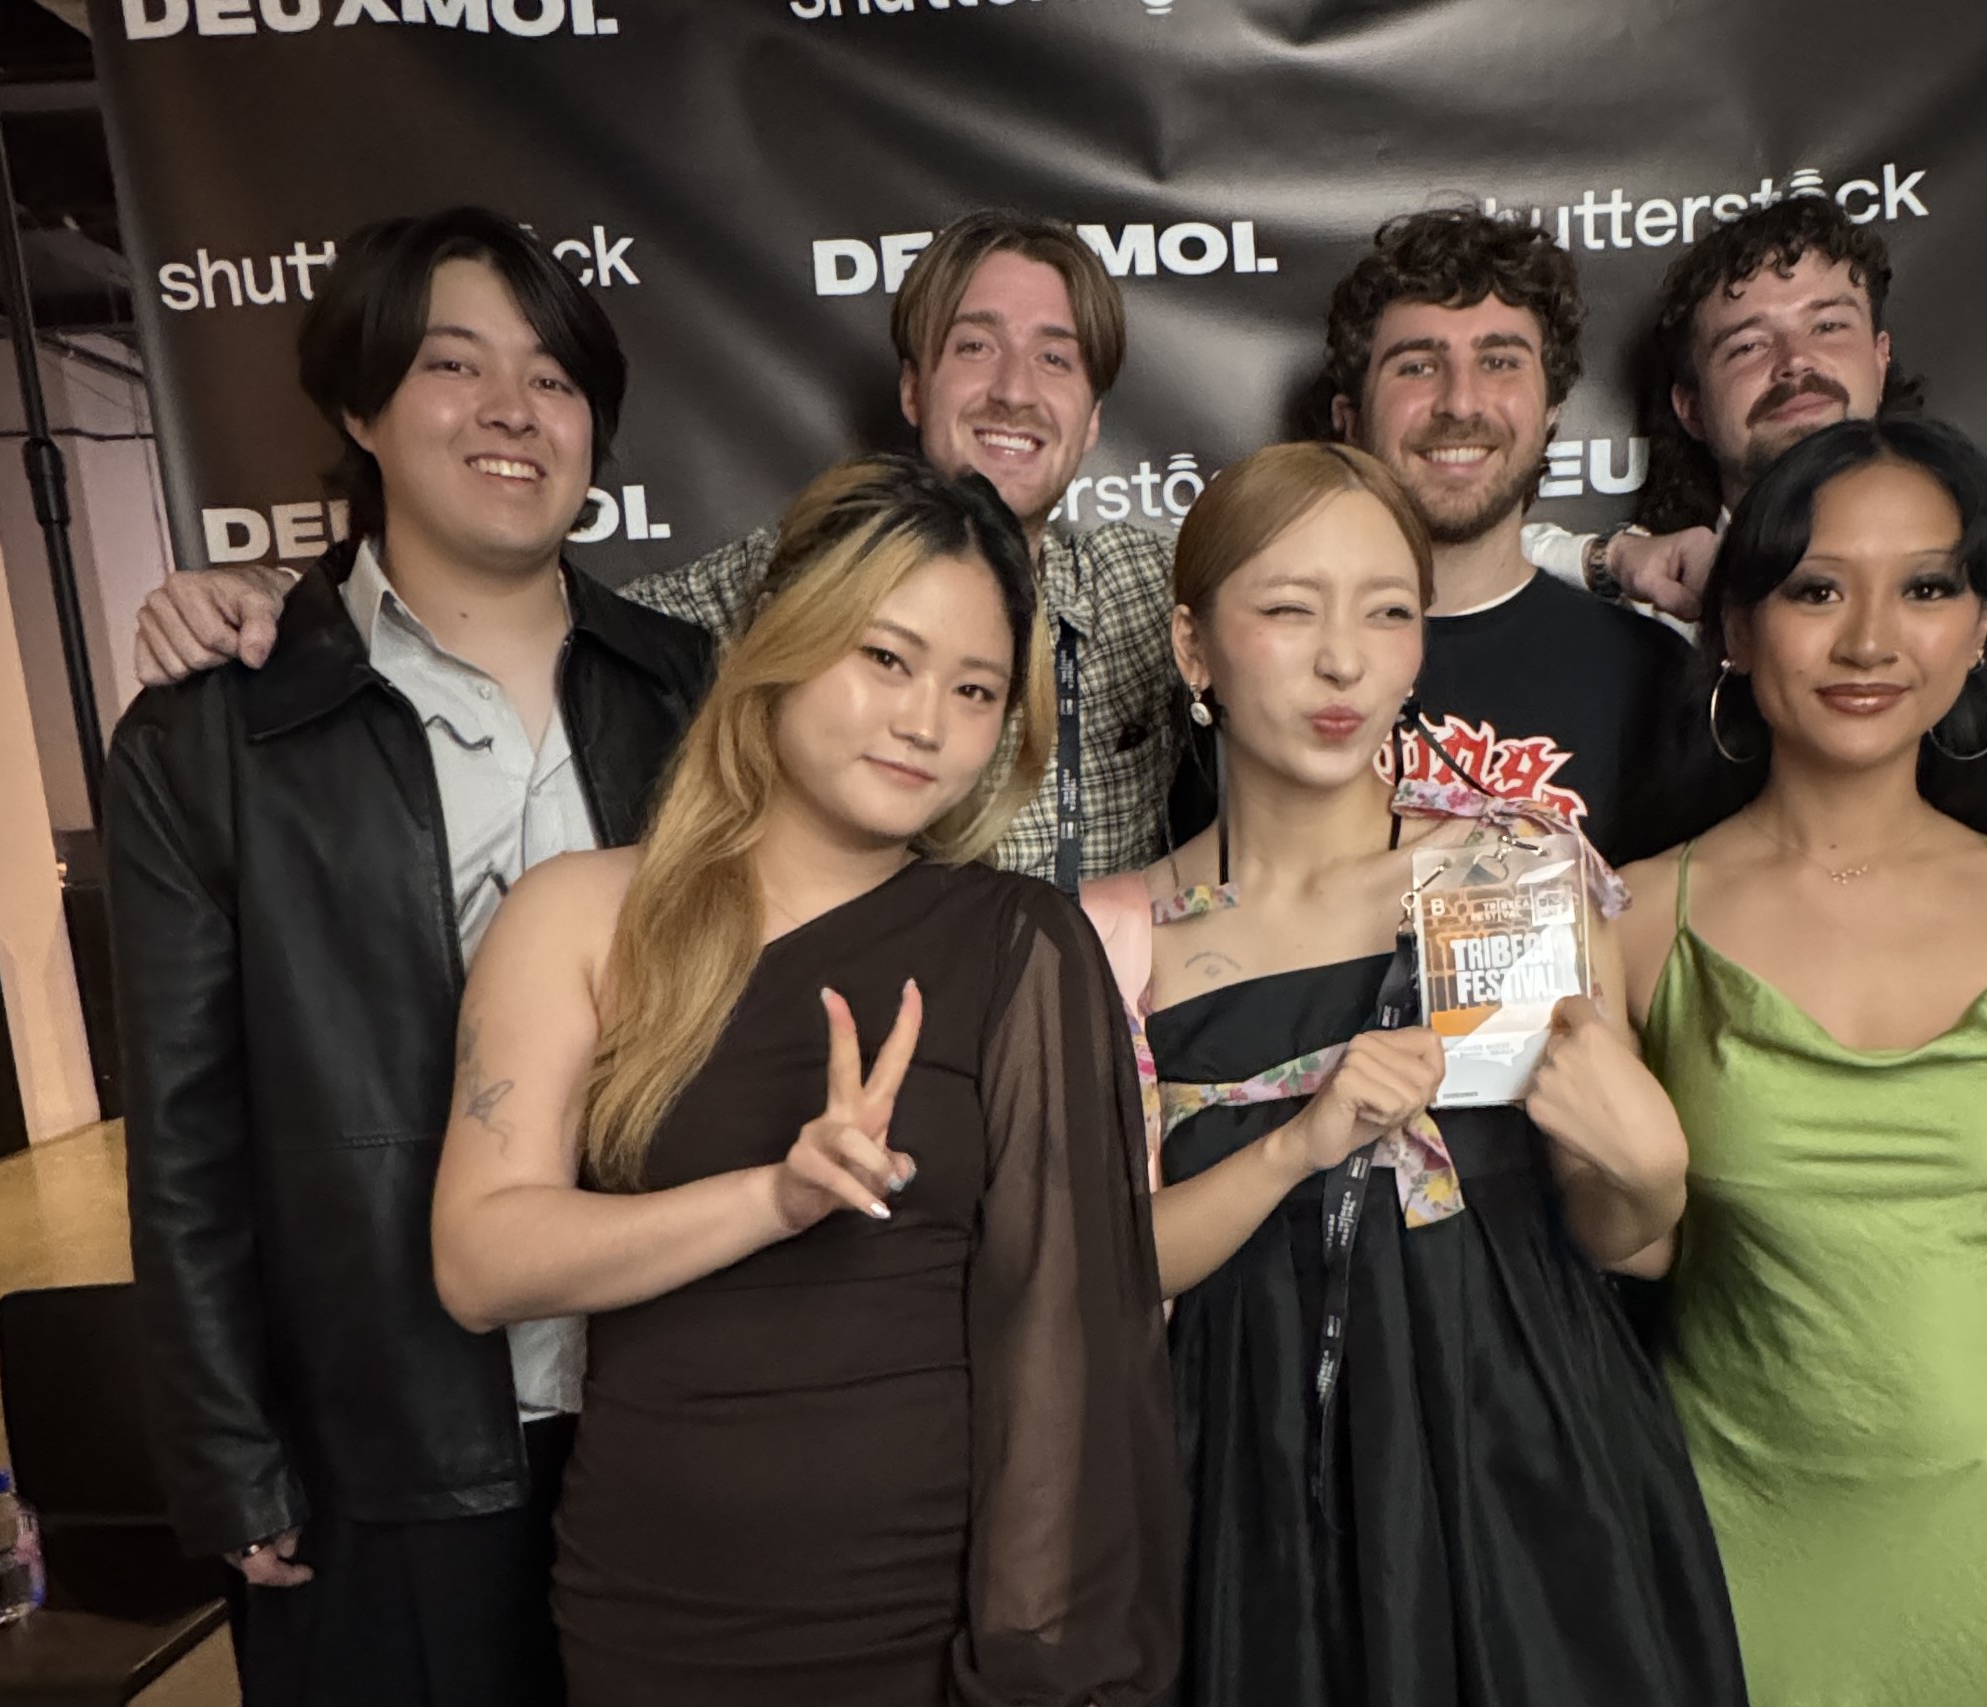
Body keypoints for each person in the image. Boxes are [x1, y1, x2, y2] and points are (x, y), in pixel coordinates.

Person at [431, 454, 1179, 1705]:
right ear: (783, 640)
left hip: (919, 1619)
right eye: (885, 658)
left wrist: (1046, 1666)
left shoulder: (1017, 945)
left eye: (976, 688)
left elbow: (1076, 1356)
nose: (926, 720)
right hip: (649, 1606)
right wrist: (772, 1199)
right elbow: (478, 1262)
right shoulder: (579, 916)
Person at [104, 207, 712, 1707]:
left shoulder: (695, 693)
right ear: (359, 406)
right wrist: (229, 1453)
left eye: (556, 378)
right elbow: (183, 1133)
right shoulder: (218, 734)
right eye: (455, 365)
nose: (514, 410)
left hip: (668, 1403)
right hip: (377, 1436)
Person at [1080, 442, 1745, 1707]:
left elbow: (1623, 1240)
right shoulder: (1118, 934)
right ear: (1192, 644)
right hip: (1252, 1474)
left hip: (1526, 1440)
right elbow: (1104, 1275)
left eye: (1388, 611)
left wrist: (1654, 1174)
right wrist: (1297, 1139)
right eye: (1287, 609)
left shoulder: (1515, 866)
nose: (1344, 660)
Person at [134, 209, 1183, 888]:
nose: (1013, 388)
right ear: (912, 388)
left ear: (1093, 418)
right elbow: (528, 605)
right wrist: (287, 597)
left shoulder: (1159, 587)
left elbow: (1325, 579)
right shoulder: (783, 584)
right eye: (973, 346)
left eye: (1058, 359)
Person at [1536, 193, 1987, 1271]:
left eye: (1828, 325)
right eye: (1750, 343)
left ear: (1881, 355)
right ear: (1691, 405)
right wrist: (1607, 561)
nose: (1797, 362)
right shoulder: (1639, 616)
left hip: (1963, 1235)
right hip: (1696, 1246)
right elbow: (1433, 562)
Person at [1615, 417, 1987, 1706]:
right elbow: (1613, 1248)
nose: (1870, 642)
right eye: (1817, 588)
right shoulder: (1627, 919)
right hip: (1735, 1531)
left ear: (1978, 629)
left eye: (1928, 587)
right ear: (1737, 628)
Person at [1320, 208, 1697, 866]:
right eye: (1416, 367)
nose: (1461, 403)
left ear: (1551, 411)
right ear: (1349, 421)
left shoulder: (1654, 679)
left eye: (1499, 361)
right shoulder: (1271, 668)